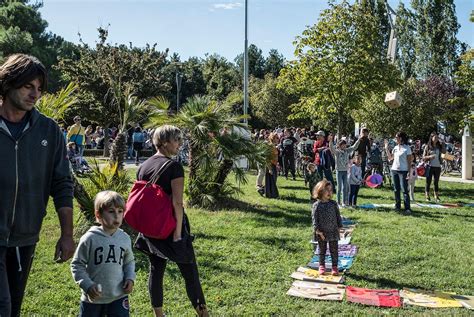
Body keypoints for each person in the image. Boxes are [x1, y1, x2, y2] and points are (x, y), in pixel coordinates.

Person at [0, 54, 75, 316]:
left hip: (25, 237)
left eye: (40, 89)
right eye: (28, 86)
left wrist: (67, 235)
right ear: (9, 83)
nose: (35, 94)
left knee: (14, 308)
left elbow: (63, 183)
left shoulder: (49, 130)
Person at [134, 125, 208, 317]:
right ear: (165, 142)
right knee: (190, 272)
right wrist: (177, 233)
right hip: (170, 227)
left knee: (156, 270)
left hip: (151, 227)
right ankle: (204, 314)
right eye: (176, 140)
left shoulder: (144, 166)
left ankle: (159, 315)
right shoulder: (174, 166)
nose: (179, 144)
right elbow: (177, 202)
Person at [71, 191, 135, 316]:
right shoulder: (89, 238)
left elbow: (129, 261)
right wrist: (87, 285)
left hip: (118, 297)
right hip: (93, 299)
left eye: (120, 211)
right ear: (98, 214)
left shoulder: (124, 238)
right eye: (111, 211)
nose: (117, 216)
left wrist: (130, 278)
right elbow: (77, 265)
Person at [311, 180, 342, 276]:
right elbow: (314, 219)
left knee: (334, 250)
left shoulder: (333, 204)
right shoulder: (316, 205)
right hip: (322, 232)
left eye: (331, 190)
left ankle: (334, 266)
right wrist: (318, 231)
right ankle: (321, 265)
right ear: (320, 191)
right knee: (322, 250)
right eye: (326, 190)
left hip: (333, 231)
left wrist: (339, 227)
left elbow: (338, 216)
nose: (329, 192)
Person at [385, 131, 413, 214]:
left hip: (403, 171)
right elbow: (390, 158)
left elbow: (409, 162)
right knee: (396, 189)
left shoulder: (407, 148)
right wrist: (386, 148)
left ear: (400, 138)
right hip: (394, 171)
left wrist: (409, 172)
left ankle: (407, 208)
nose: (395, 138)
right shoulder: (395, 147)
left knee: (404, 190)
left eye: (396, 137)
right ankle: (397, 206)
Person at [328, 134, 360, 207]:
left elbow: (354, 147)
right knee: (339, 187)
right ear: (340, 146)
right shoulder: (337, 152)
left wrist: (359, 139)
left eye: (345, 145)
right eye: (343, 145)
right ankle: (338, 202)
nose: (344, 146)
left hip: (345, 171)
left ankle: (344, 202)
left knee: (345, 187)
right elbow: (332, 150)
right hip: (339, 171)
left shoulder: (347, 151)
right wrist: (330, 141)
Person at [423, 132, 445, 202]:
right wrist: (430, 156)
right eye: (435, 137)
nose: (436, 139)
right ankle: (427, 195)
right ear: (431, 138)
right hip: (430, 166)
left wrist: (443, 145)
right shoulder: (428, 146)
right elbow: (423, 157)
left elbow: (444, 152)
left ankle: (436, 196)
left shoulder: (439, 146)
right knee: (428, 182)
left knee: (436, 182)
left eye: (437, 137)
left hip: (437, 166)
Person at [264, 132, 280, 198]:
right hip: (270, 165)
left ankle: (271, 194)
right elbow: (267, 158)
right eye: (277, 138)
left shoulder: (273, 146)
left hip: (274, 164)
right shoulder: (270, 146)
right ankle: (272, 195)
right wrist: (269, 168)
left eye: (278, 138)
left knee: (273, 181)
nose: (278, 139)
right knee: (271, 181)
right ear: (273, 138)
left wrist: (277, 163)